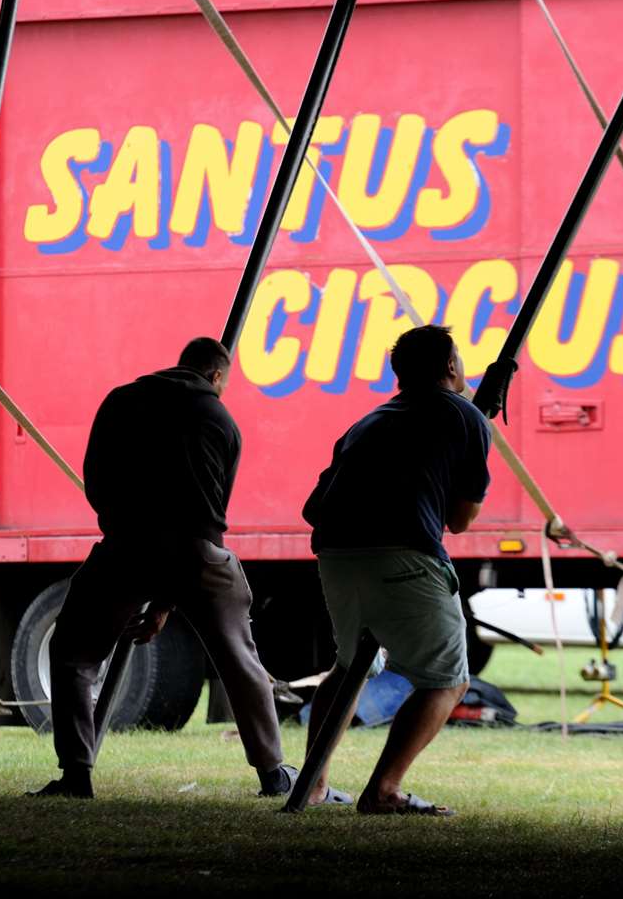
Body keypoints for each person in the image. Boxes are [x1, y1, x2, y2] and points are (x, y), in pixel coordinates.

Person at [31, 337, 305, 800]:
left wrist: (126, 532)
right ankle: (273, 773)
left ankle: (76, 775)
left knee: (73, 654)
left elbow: (94, 479)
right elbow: (215, 509)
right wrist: (167, 598)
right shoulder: (220, 419)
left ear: (181, 364)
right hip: (198, 553)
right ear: (216, 377)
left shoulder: (121, 401)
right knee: (241, 662)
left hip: (125, 546)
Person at [299, 324, 490, 816]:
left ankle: (313, 786)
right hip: (405, 554)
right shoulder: (466, 416)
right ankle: (383, 792)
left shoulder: (367, 422)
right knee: (448, 680)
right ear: (451, 367)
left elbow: (313, 506)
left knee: (347, 670)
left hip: (336, 556)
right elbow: (460, 521)